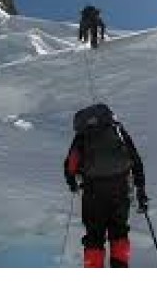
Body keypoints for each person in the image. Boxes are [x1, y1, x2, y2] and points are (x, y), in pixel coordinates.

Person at [63, 103, 148, 268]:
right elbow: (136, 161)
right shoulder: (118, 131)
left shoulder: (82, 136)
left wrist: (73, 184)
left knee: (94, 236)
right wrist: (141, 190)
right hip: (120, 190)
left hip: (93, 194)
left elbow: (70, 166)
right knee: (119, 232)